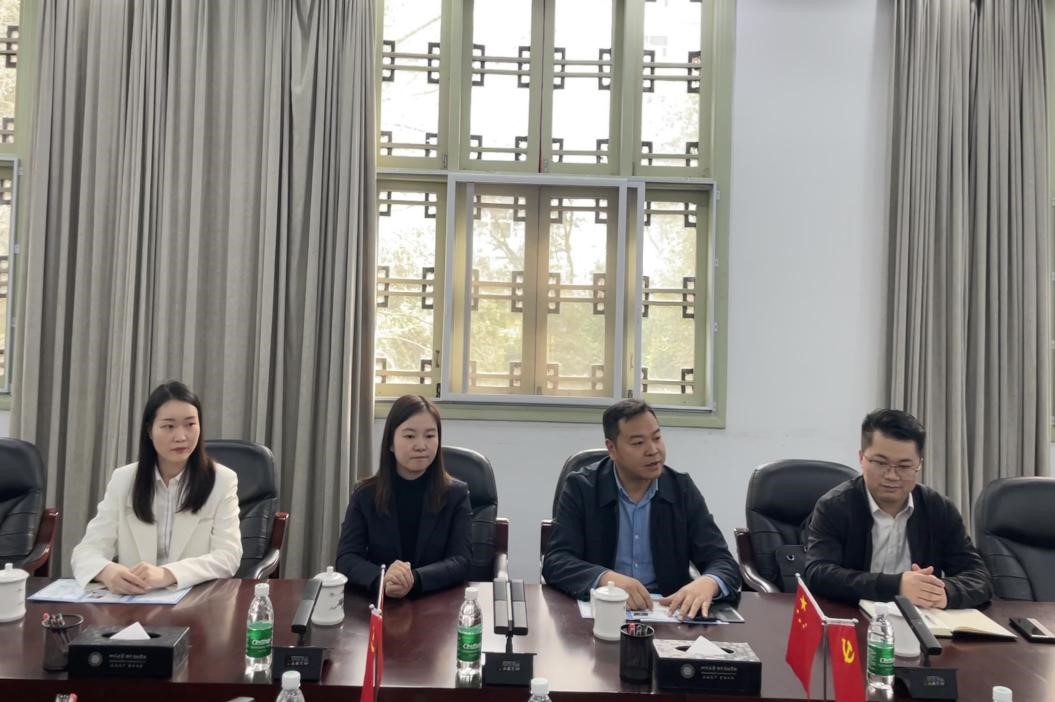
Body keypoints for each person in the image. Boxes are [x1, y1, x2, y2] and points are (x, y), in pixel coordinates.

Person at [542, 399, 741, 619]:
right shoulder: (582, 487)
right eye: (638, 443)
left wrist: (708, 582)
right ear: (612, 449)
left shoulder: (681, 489)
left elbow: (723, 561)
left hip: (667, 615)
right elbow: (556, 561)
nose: (653, 450)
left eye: (657, 438)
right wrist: (606, 579)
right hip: (603, 612)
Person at [804, 408, 992, 608]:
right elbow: (818, 573)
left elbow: (979, 577)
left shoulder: (939, 509)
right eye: (880, 463)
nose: (892, 476)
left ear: (919, 464)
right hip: (853, 616)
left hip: (922, 620)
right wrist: (898, 585)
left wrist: (944, 592)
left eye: (904, 466)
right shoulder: (835, 506)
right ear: (861, 458)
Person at [71, 381, 242, 593]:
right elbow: (86, 551)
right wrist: (107, 572)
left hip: (196, 599)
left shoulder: (222, 481)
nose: (181, 437)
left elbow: (228, 557)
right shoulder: (124, 480)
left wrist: (168, 574)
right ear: (150, 431)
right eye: (169, 426)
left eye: (190, 424)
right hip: (135, 602)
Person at [336, 394, 471, 598]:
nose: (421, 445)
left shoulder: (456, 494)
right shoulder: (365, 494)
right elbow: (346, 558)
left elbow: (461, 561)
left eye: (430, 436)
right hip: (380, 602)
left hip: (436, 602)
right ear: (390, 442)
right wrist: (382, 578)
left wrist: (414, 579)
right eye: (409, 436)